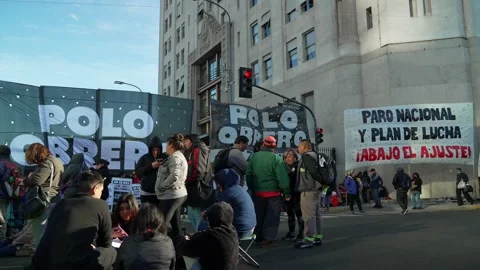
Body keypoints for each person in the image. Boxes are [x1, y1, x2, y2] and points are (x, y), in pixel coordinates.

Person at [32, 171, 116, 270]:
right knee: (111, 252)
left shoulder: (61, 203)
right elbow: (106, 242)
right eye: (101, 191)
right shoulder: (100, 205)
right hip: (75, 264)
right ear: (95, 189)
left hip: (43, 262)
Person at [246, 136, 290, 248]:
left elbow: (249, 175)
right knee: (271, 217)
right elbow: (282, 179)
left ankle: (258, 237)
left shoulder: (254, 157)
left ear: (263, 145)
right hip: (273, 193)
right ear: (275, 146)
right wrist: (287, 192)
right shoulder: (276, 159)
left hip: (258, 193)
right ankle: (267, 239)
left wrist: (252, 188)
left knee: (259, 216)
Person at [174, 202, 239, 270]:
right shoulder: (231, 230)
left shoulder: (212, 236)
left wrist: (184, 238)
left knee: (181, 254)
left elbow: (185, 247)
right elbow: (202, 234)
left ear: (212, 219)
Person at [24, 143, 64, 248]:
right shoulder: (57, 161)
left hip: (43, 200)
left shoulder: (47, 163)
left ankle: (39, 260)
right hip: (54, 199)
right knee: (50, 233)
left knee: (40, 232)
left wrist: (27, 178)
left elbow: (37, 180)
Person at [114, 203, 176, 270]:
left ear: (138, 221)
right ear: (159, 220)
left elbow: (118, 266)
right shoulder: (168, 242)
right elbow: (172, 266)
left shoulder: (128, 242)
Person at [155, 133, 189, 237]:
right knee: (176, 225)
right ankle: (179, 249)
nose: (165, 147)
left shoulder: (175, 158)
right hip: (177, 194)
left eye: (166, 144)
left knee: (161, 225)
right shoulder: (177, 156)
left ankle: (158, 247)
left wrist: (162, 186)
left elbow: (175, 175)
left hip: (171, 195)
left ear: (171, 145)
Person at [295, 140, 325, 249]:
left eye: (299, 146)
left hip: (308, 189)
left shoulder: (306, 157)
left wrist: (315, 182)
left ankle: (308, 239)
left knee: (308, 216)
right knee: (316, 215)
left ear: (304, 147)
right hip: (316, 189)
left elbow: (312, 172)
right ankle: (318, 237)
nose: (298, 148)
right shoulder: (317, 155)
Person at [184, 134, 214, 232]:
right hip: (203, 187)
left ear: (191, 141)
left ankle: (199, 241)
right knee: (201, 216)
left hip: (197, 189)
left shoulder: (197, 150)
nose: (185, 144)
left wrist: (188, 180)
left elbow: (198, 170)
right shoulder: (202, 149)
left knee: (195, 215)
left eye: (186, 141)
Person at [214, 168, 256, 238]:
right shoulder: (240, 189)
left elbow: (216, 210)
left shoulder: (228, 193)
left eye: (218, 184)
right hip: (251, 228)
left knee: (204, 228)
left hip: (240, 231)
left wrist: (206, 213)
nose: (218, 186)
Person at [136, 136, 168, 205]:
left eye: (158, 150)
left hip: (162, 194)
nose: (156, 152)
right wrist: (151, 166)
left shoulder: (165, 157)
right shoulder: (144, 158)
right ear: (150, 149)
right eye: (154, 150)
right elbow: (138, 172)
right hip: (146, 193)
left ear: (161, 149)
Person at [281, 148, 304, 242]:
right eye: (285, 157)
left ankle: (302, 233)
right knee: (290, 214)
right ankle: (291, 233)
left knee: (299, 214)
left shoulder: (299, 165)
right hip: (288, 193)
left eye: (289, 157)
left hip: (298, 193)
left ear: (295, 157)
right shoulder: (283, 167)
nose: (287, 159)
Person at [0, 145, 13, 241]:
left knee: (1, 219)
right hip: (7, 194)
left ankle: (1, 239)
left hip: (1, 195)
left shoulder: (1, 164)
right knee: (3, 217)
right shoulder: (11, 163)